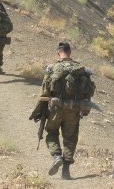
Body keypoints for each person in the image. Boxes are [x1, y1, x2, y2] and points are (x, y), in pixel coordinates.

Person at [33, 42, 95, 180]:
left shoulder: (52, 68)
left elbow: (44, 93)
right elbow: (89, 92)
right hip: (73, 109)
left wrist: (38, 111)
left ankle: (56, 156)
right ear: (70, 52)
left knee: (52, 132)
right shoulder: (81, 70)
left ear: (58, 53)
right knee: (70, 138)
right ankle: (66, 171)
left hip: (55, 109)